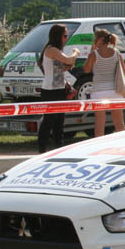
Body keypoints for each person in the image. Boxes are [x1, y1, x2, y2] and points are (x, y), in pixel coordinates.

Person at [36, 23, 79, 153]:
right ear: (57, 36)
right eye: (65, 36)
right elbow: (69, 60)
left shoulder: (57, 50)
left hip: (59, 88)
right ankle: (42, 149)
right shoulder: (51, 50)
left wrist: (67, 66)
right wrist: (76, 53)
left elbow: (59, 68)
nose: (66, 38)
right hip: (50, 90)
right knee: (48, 121)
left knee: (59, 122)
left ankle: (58, 148)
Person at [84, 29, 125, 137]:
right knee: (119, 123)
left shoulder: (94, 54)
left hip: (98, 91)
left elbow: (86, 69)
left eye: (95, 39)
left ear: (101, 40)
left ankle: (99, 145)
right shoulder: (117, 53)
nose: (94, 41)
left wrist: (91, 52)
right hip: (115, 91)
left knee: (99, 123)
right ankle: (123, 143)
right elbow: (124, 71)